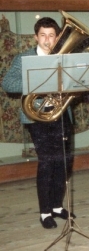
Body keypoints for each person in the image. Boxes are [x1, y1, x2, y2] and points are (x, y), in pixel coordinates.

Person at [2, 17, 75, 229]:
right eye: (43, 35)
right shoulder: (24, 58)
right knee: (47, 162)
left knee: (62, 162)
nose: (47, 40)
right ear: (36, 36)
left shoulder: (63, 57)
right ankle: (44, 212)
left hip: (60, 114)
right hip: (36, 117)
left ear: (57, 37)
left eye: (51, 35)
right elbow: (8, 83)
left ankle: (56, 206)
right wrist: (36, 81)